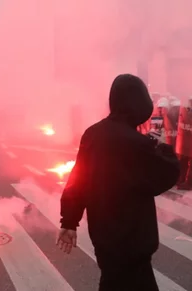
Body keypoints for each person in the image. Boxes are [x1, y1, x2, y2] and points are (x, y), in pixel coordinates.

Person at [57, 74, 180, 291]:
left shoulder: (93, 134)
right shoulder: (138, 144)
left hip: (104, 236)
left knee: (114, 280)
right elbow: (167, 173)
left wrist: (69, 221)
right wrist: (163, 148)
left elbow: (78, 181)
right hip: (135, 239)